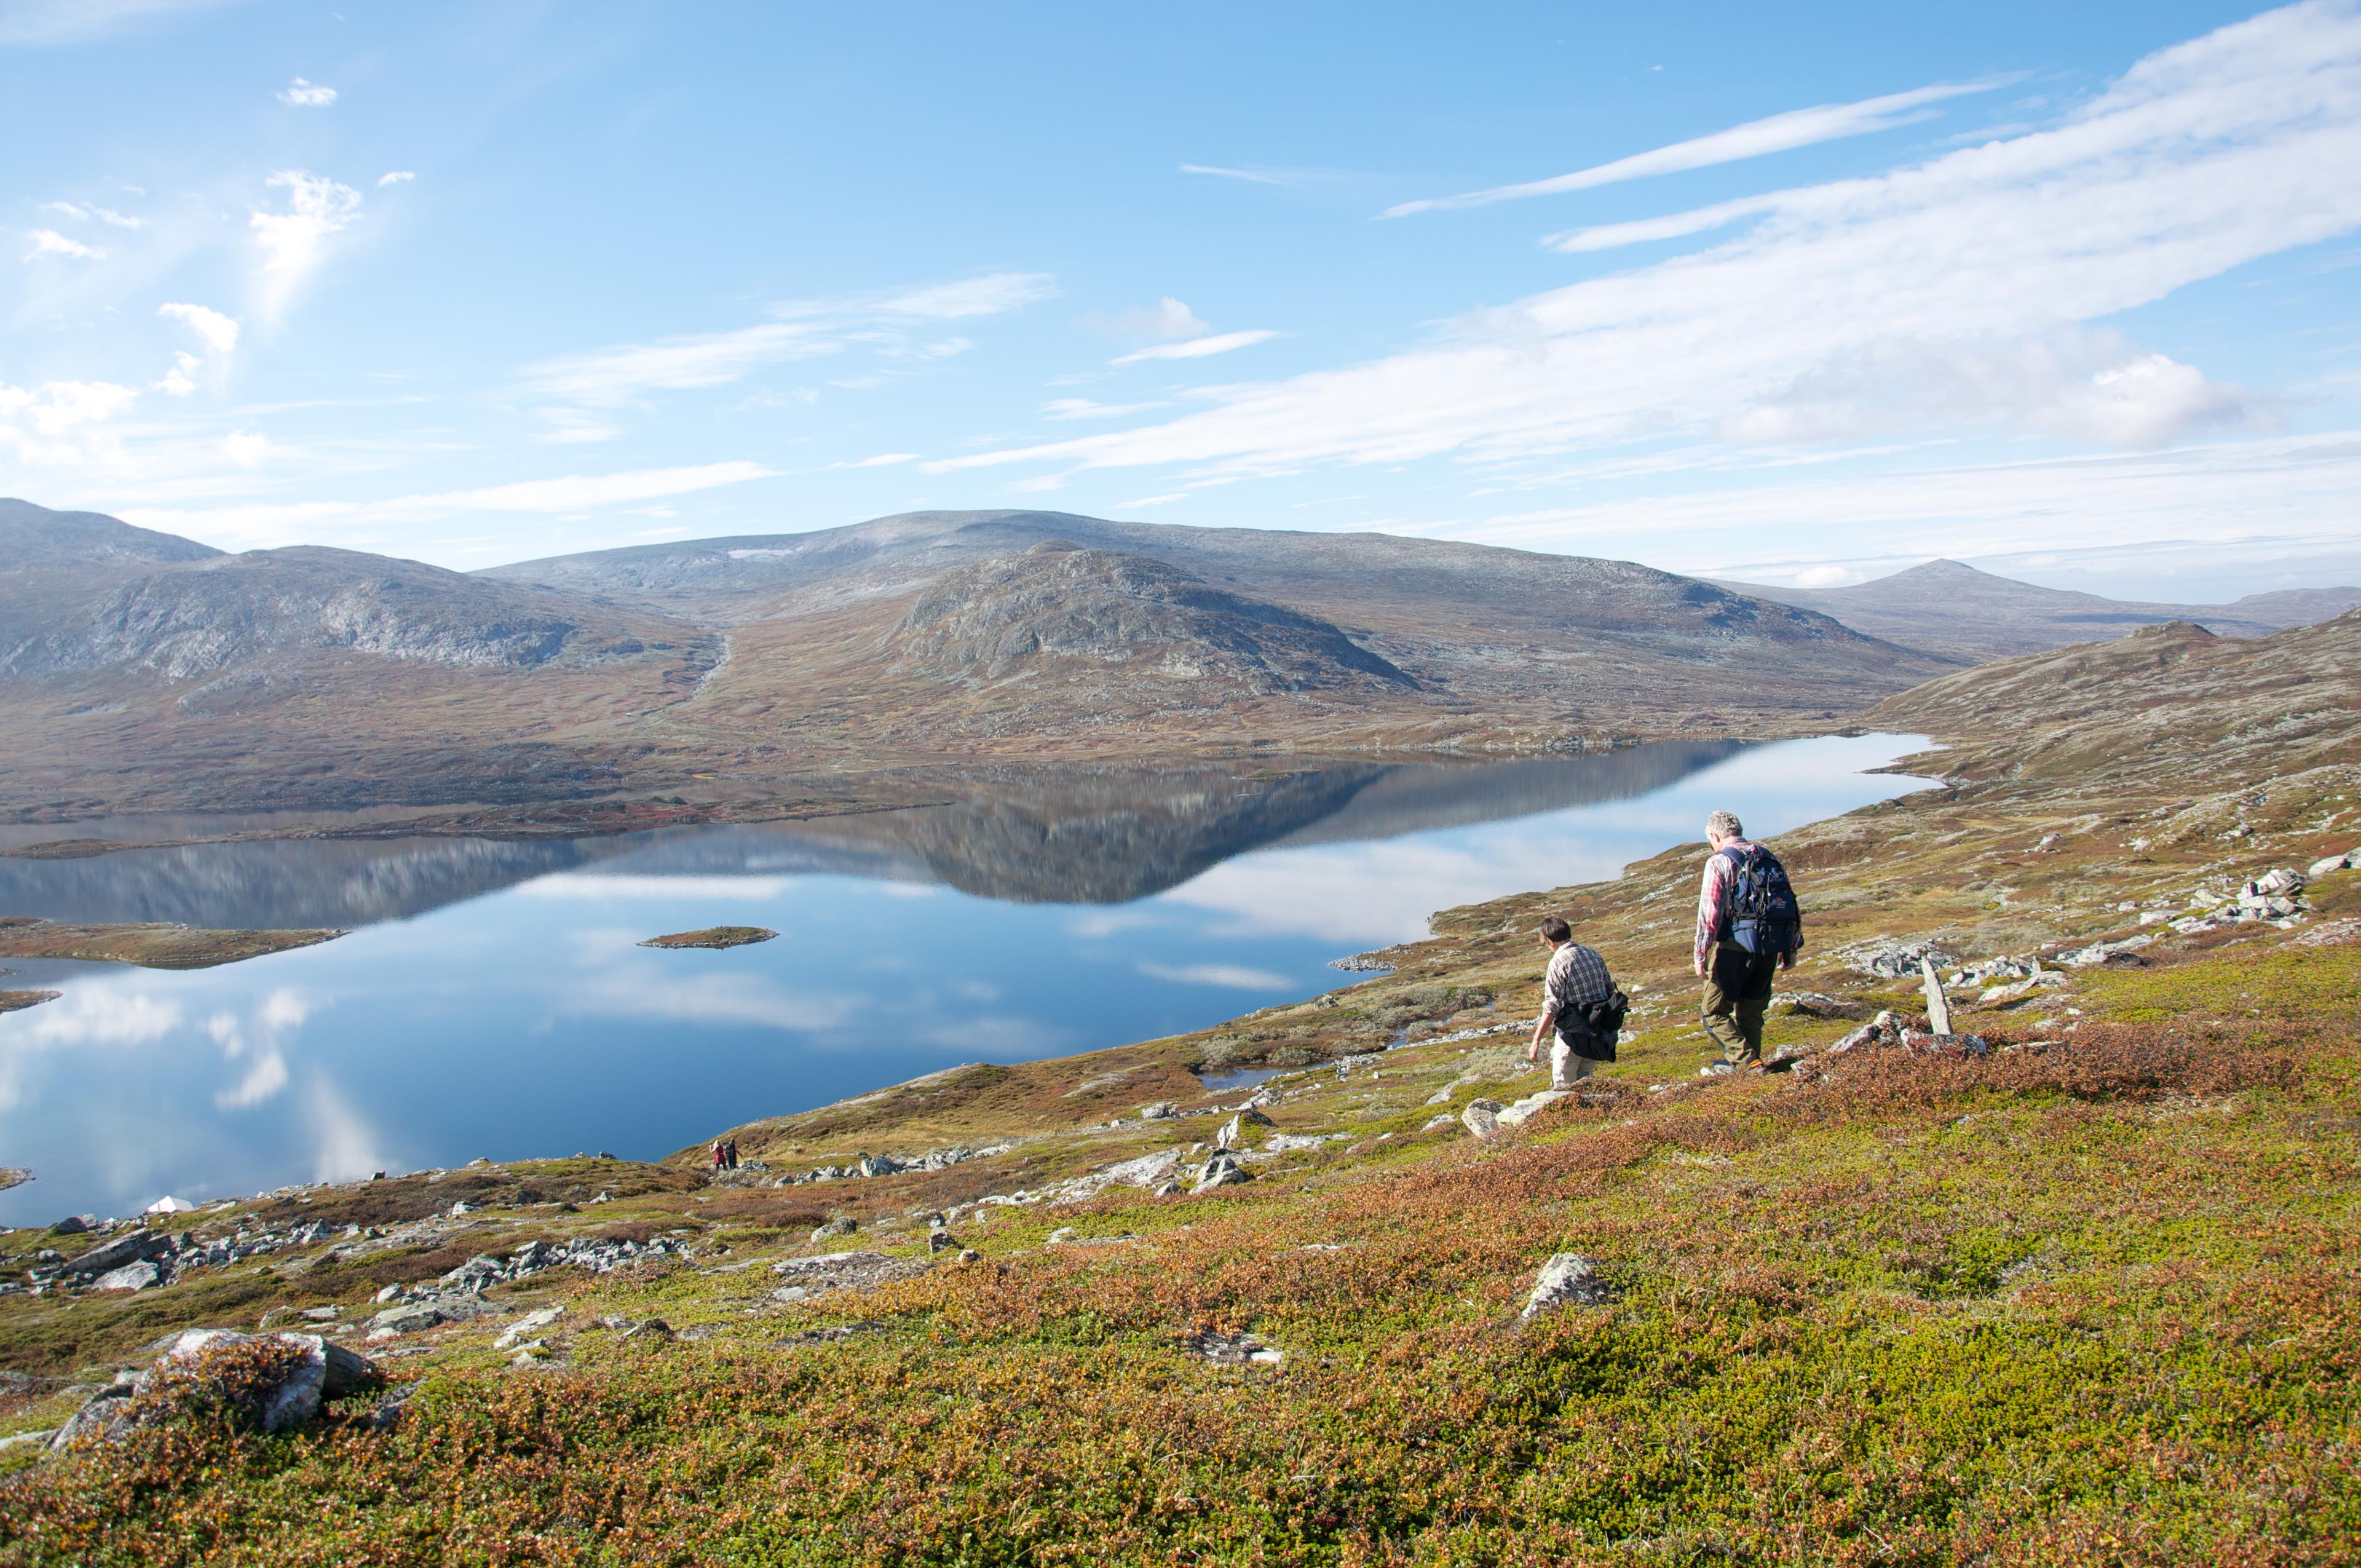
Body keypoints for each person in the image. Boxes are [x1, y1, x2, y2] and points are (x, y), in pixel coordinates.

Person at [1694, 810, 1803, 1075]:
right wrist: (1790, 948)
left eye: (1710, 839)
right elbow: (1790, 902)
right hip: (1769, 947)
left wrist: (1701, 952)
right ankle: (1751, 1067)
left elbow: (1710, 912)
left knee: (1714, 1013)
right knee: (1751, 1011)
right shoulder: (1768, 857)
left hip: (1736, 949)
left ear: (1715, 836)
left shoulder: (1720, 862)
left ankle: (1749, 1063)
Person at [1526, 916, 1617, 1088]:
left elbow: (1552, 1006)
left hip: (1573, 1034)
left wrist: (1536, 1039)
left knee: (1563, 1085)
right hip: (1597, 1031)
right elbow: (1608, 990)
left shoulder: (1558, 962)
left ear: (1549, 940)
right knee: (1585, 1081)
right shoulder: (1593, 954)